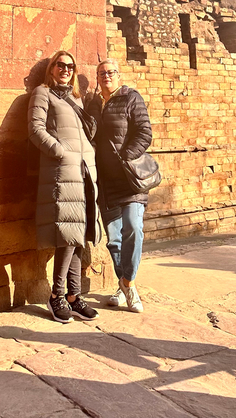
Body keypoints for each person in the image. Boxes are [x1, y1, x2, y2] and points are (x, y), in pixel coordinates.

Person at [28, 50, 101, 324]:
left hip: (83, 172)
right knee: (66, 235)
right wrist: (60, 152)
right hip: (62, 171)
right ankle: (56, 295)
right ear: (52, 68)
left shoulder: (75, 98)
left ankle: (73, 296)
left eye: (70, 66)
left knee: (79, 234)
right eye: (61, 65)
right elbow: (35, 129)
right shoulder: (43, 93)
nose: (66, 69)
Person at [87, 59, 152, 313]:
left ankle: (129, 284)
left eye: (111, 72)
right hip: (106, 182)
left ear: (119, 76)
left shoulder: (130, 98)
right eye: (102, 72)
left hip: (129, 179)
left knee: (133, 228)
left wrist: (126, 157)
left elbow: (144, 132)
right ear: (97, 77)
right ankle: (124, 286)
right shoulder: (94, 104)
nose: (106, 76)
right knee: (114, 239)